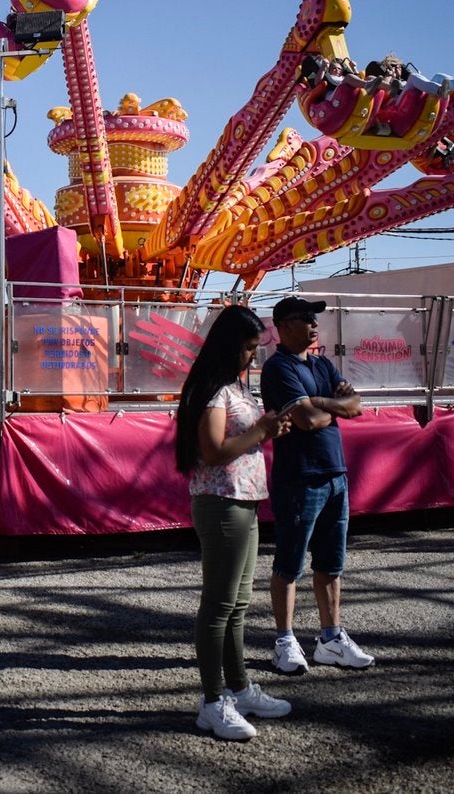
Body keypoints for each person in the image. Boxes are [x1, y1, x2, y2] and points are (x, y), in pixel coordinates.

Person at [174, 306, 293, 741]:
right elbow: (213, 451)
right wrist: (261, 430)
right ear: (228, 345)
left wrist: (266, 430)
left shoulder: (231, 387)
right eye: (246, 348)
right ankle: (212, 701)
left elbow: (235, 443)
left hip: (243, 501)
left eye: (254, 348)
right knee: (219, 605)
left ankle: (239, 688)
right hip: (221, 502)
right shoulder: (212, 390)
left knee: (238, 603)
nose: (251, 356)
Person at [261, 296, 372, 673]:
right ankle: (285, 640)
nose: (313, 324)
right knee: (289, 563)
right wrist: (326, 407)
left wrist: (319, 401)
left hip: (335, 474)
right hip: (299, 478)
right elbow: (307, 420)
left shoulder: (322, 363)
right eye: (305, 318)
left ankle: (331, 638)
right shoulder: (277, 368)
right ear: (284, 325)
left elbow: (356, 404)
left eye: (314, 318)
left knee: (331, 564)